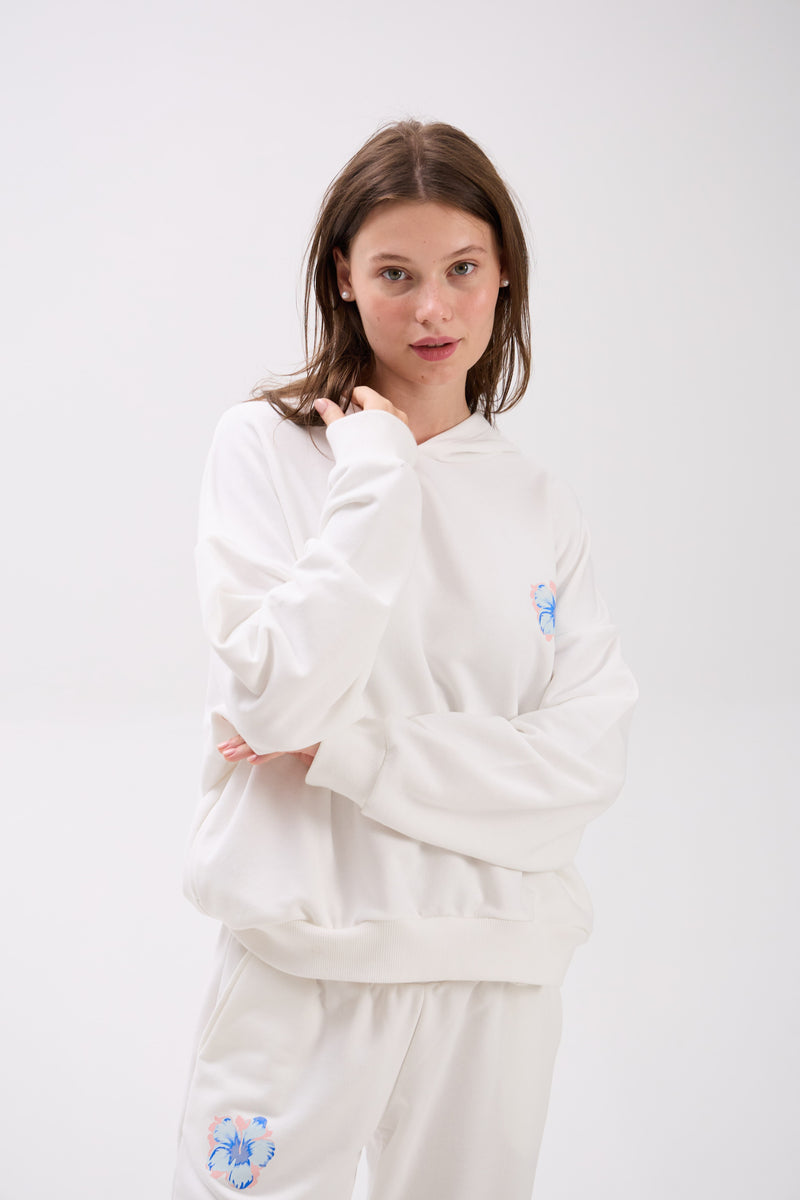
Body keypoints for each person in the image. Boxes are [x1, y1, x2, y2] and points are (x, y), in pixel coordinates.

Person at [172, 118, 638, 1199]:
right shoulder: (266, 448)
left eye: (460, 270)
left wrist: (349, 750)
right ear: (342, 275)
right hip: (304, 962)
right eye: (395, 273)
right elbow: (276, 692)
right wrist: (375, 472)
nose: (431, 309)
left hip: (496, 970)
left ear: (501, 276)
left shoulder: (535, 503)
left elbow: (577, 771)